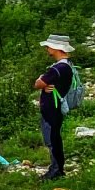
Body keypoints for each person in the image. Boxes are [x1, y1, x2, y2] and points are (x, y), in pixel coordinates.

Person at [34, 34, 75, 179]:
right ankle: (56, 168)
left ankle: (56, 171)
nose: (47, 48)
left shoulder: (58, 68)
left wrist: (40, 80)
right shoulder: (67, 65)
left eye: (49, 46)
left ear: (57, 48)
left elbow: (38, 83)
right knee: (54, 138)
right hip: (56, 107)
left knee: (52, 139)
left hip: (52, 108)